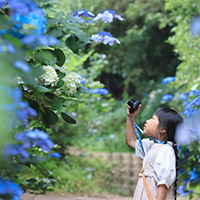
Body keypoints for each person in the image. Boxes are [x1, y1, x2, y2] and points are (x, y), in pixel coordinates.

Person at [126, 105, 183, 200]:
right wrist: (130, 117)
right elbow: (131, 141)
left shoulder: (165, 150)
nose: (147, 121)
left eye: (153, 118)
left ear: (163, 129)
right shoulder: (153, 146)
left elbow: (163, 184)